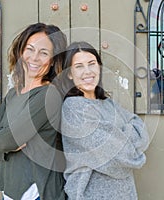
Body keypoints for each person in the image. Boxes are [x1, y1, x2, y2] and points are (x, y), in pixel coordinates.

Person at [0, 23, 67, 200]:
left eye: (44, 53)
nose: (34, 58)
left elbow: (8, 139)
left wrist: (1, 143)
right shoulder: (14, 93)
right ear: (21, 52)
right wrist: (2, 150)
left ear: (52, 61)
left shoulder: (48, 96)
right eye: (30, 49)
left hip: (36, 192)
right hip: (10, 189)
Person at [60, 41, 149, 200]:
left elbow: (140, 130)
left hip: (125, 193)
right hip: (91, 194)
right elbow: (118, 156)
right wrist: (125, 133)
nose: (87, 71)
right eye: (79, 66)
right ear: (69, 73)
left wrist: (119, 138)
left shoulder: (108, 103)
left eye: (92, 64)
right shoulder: (74, 108)